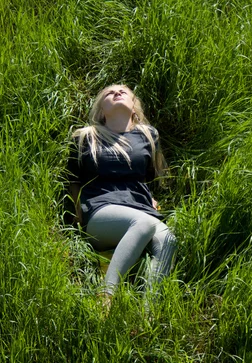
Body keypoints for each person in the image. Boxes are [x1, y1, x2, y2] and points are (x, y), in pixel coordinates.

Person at [66, 84, 177, 307]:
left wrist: (150, 198)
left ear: (134, 107)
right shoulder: (85, 136)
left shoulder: (148, 134)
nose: (117, 93)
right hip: (100, 210)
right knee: (144, 223)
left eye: (123, 91)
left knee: (168, 240)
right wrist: (77, 214)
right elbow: (73, 180)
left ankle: (148, 313)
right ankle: (106, 296)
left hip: (140, 210)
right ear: (101, 110)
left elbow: (146, 177)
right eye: (109, 92)